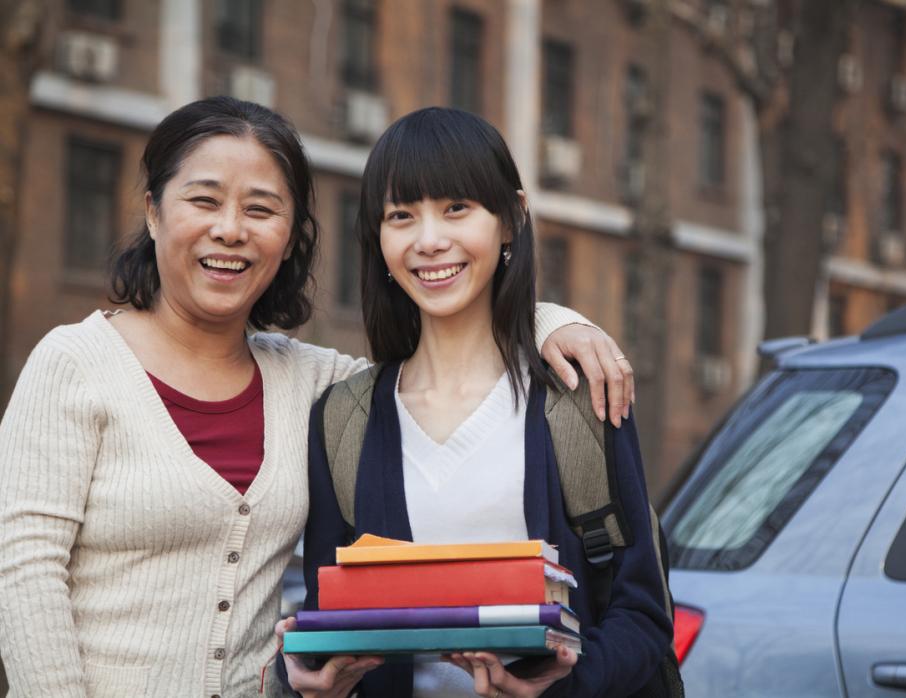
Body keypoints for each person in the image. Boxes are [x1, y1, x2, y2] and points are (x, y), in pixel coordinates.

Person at [0, 97, 634, 697]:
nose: (230, 230)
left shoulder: (312, 384)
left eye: (260, 208)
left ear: (289, 233)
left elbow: (446, 361)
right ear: (153, 211)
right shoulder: (76, 364)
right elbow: (23, 575)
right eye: (204, 200)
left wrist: (548, 321)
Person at [280, 107, 673, 698]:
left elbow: (643, 614)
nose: (430, 240)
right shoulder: (342, 420)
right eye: (401, 216)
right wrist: (319, 681)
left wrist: (562, 686)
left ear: (511, 219)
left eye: (456, 208)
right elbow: (333, 615)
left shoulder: (579, 395)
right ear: (379, 239)